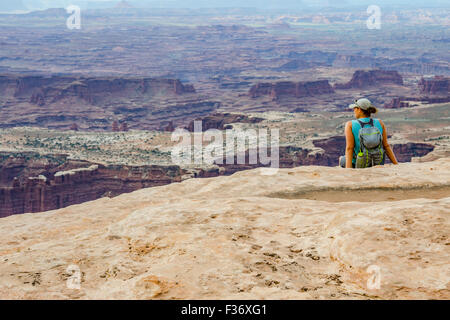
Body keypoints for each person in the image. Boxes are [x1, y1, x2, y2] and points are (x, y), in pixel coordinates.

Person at [339, 98, 398, 168]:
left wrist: (349, 170)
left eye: (355, 108)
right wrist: (396, 164)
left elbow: (349, 148)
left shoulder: (350, 124)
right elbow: (386, 146)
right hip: (377, 162)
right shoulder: (379, 122)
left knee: (341, 159)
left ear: (359, 110)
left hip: (360, 163)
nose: (354, 110)